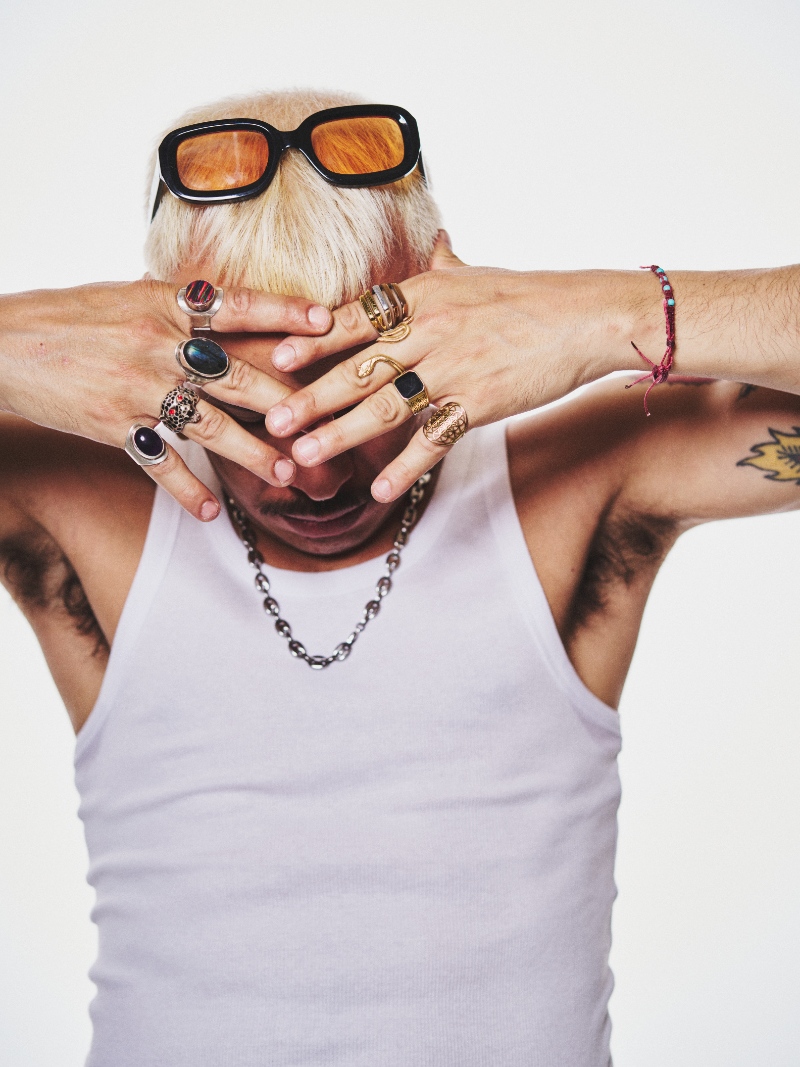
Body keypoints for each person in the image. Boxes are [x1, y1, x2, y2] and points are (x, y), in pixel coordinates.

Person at [1, 87, 799, 1067]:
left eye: (370, 386)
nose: (314, 474)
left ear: (447, 310)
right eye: (243, 400)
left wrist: (613, 313)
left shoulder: (581, 481)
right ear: (149, 335)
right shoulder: (69, 499)